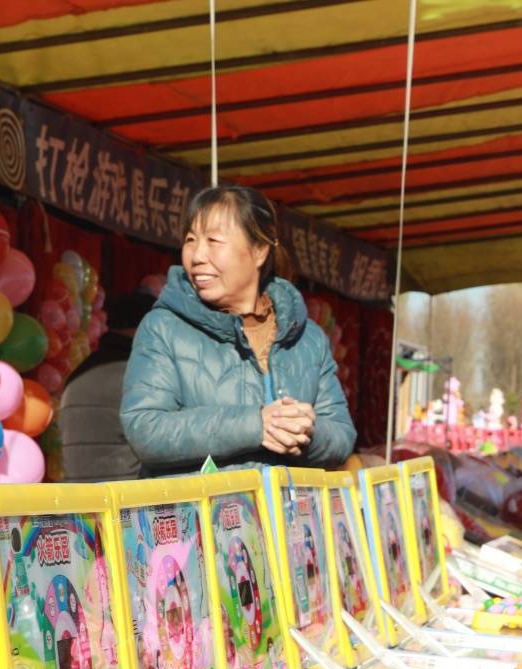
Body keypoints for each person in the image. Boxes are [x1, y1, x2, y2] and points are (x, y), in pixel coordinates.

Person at [120, 184, 355, 471]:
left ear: (259, 251)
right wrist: (254, 426)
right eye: (191, 240)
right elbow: (145, 428)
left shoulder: (308, 338)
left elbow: (342, 434)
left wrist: (307, 432)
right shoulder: (164, 328)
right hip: (200, 515)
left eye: (214, 241)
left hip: (286, 514)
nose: (197, 256)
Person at [55, 285, 156, 481]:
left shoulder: (84, 368)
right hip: (125, 499)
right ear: (142, 328)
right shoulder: (139, 374)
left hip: (80, 499)